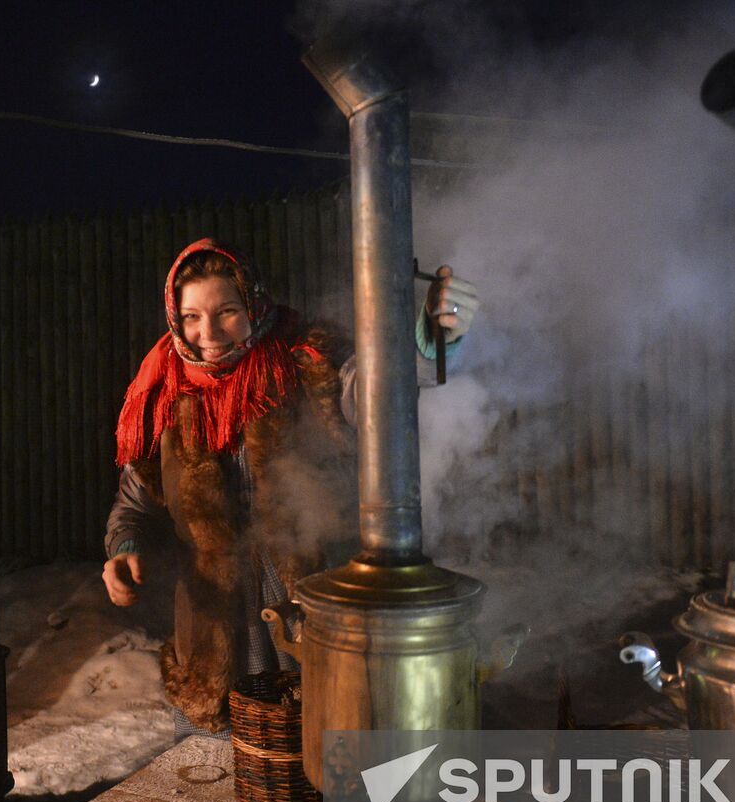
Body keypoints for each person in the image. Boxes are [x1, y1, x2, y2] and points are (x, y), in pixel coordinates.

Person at [102, 238, 478, 736]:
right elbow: (133, 506)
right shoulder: (163, 391)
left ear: (254, 302)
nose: (207, 333)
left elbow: (372, 394)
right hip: (214, 637)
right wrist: (123, 550)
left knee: (334, 758)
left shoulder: (308, 358)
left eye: (227, 311)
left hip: (315, 617)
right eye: (191, 316)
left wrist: (430, 340)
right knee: (217, 781)